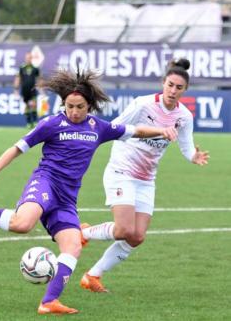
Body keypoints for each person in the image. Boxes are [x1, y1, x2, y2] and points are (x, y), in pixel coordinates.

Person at [0, 68, 177, 315]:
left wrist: (162, 131)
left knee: (73, 246)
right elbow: (17, 148)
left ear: (89, 106)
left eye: (79, 107)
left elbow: (135, 130)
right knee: (23, 223)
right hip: (45, 183)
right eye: (69, 106)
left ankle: (48, 302)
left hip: (66, 199)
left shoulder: (99, 127)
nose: (73, 111)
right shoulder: (51, 123)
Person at [79, 58, 210, 293]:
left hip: (146, 180)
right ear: (163, 83)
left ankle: (92, 276)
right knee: (123, 230)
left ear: (185, 90)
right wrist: (146, 132)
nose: (173, 90)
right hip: (122, 171)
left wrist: (194, 156)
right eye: (170, 85)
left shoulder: (184, 117)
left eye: (178, 88)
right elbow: (115, 128)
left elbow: (186, 145)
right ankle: (84, 232)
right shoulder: (143, 104)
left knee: (137, 236)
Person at [14, 52, 40, 128]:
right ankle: (29, 122)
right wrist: (16, 89)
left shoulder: (35, 68)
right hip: (25, 90)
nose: (29, 59)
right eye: (27, 58)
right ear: (25, 58)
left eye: (30, 57)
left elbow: (38, 79)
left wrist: (41, 88)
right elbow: (18, 78)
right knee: (27, 106)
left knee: (34, 104)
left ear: (32, 58)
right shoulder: (22, 68)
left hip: (33, 89)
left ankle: (35, 121)